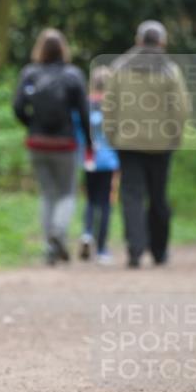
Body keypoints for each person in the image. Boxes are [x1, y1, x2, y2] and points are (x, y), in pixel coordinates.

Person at [102, 20, 190, 268]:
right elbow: (181, 108)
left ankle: (135, 250)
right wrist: (176, 135)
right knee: (158, 196)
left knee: (131, 196)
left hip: (127, 143)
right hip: (161, 144)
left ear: (138, 41)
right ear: (162, 42)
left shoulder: (120, 67)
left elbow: (109, 105)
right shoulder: (170, 70)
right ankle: (159, 252)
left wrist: (111, 134)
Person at [13, 28, 92, 264]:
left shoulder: (29, 73)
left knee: (47, 195)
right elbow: (84, 113)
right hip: (65, 144)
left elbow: (18, 107)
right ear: (64, 49)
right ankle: (58, 231)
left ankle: (50, 248)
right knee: (67, 193)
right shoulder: (73, 75)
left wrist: (31, 126)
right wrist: (90, 143)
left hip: (37, 143)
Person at [78, 65, 120, 265]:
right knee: (106, 203)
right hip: (109, 160)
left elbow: (78, 128)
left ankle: (87, 233)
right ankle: (102, 249)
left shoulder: (85, 104)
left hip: (88, 158)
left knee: (90, 199)